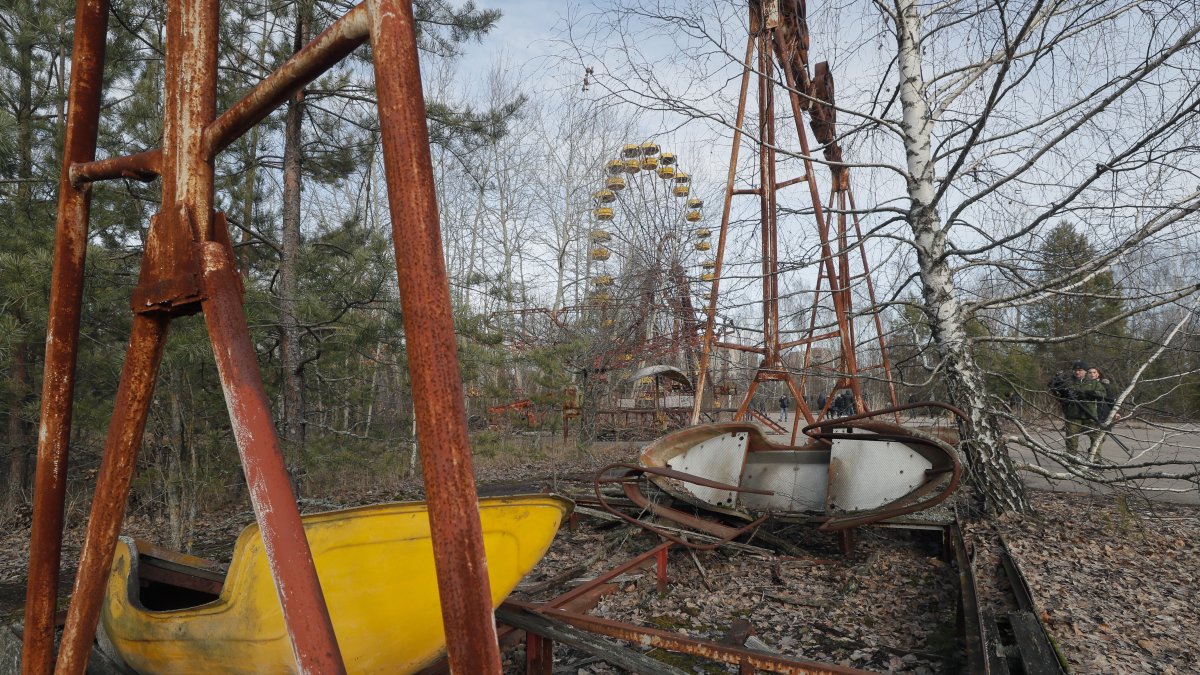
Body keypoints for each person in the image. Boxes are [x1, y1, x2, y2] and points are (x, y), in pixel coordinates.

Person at [1048, 359, 1106, 456]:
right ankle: (1072, 461)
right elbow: (1057, 393)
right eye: (1075, 370)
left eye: (1080, 370)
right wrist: (1054, 386)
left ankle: (1095, 459)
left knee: (1097, 437)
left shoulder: (1094, 383)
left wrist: (1089, 394)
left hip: (1090, 415)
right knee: (1071, 440)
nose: (1077, 372)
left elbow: (1103, 394)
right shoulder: (1067, 382)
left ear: (1085, 371)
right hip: (1073, 415)